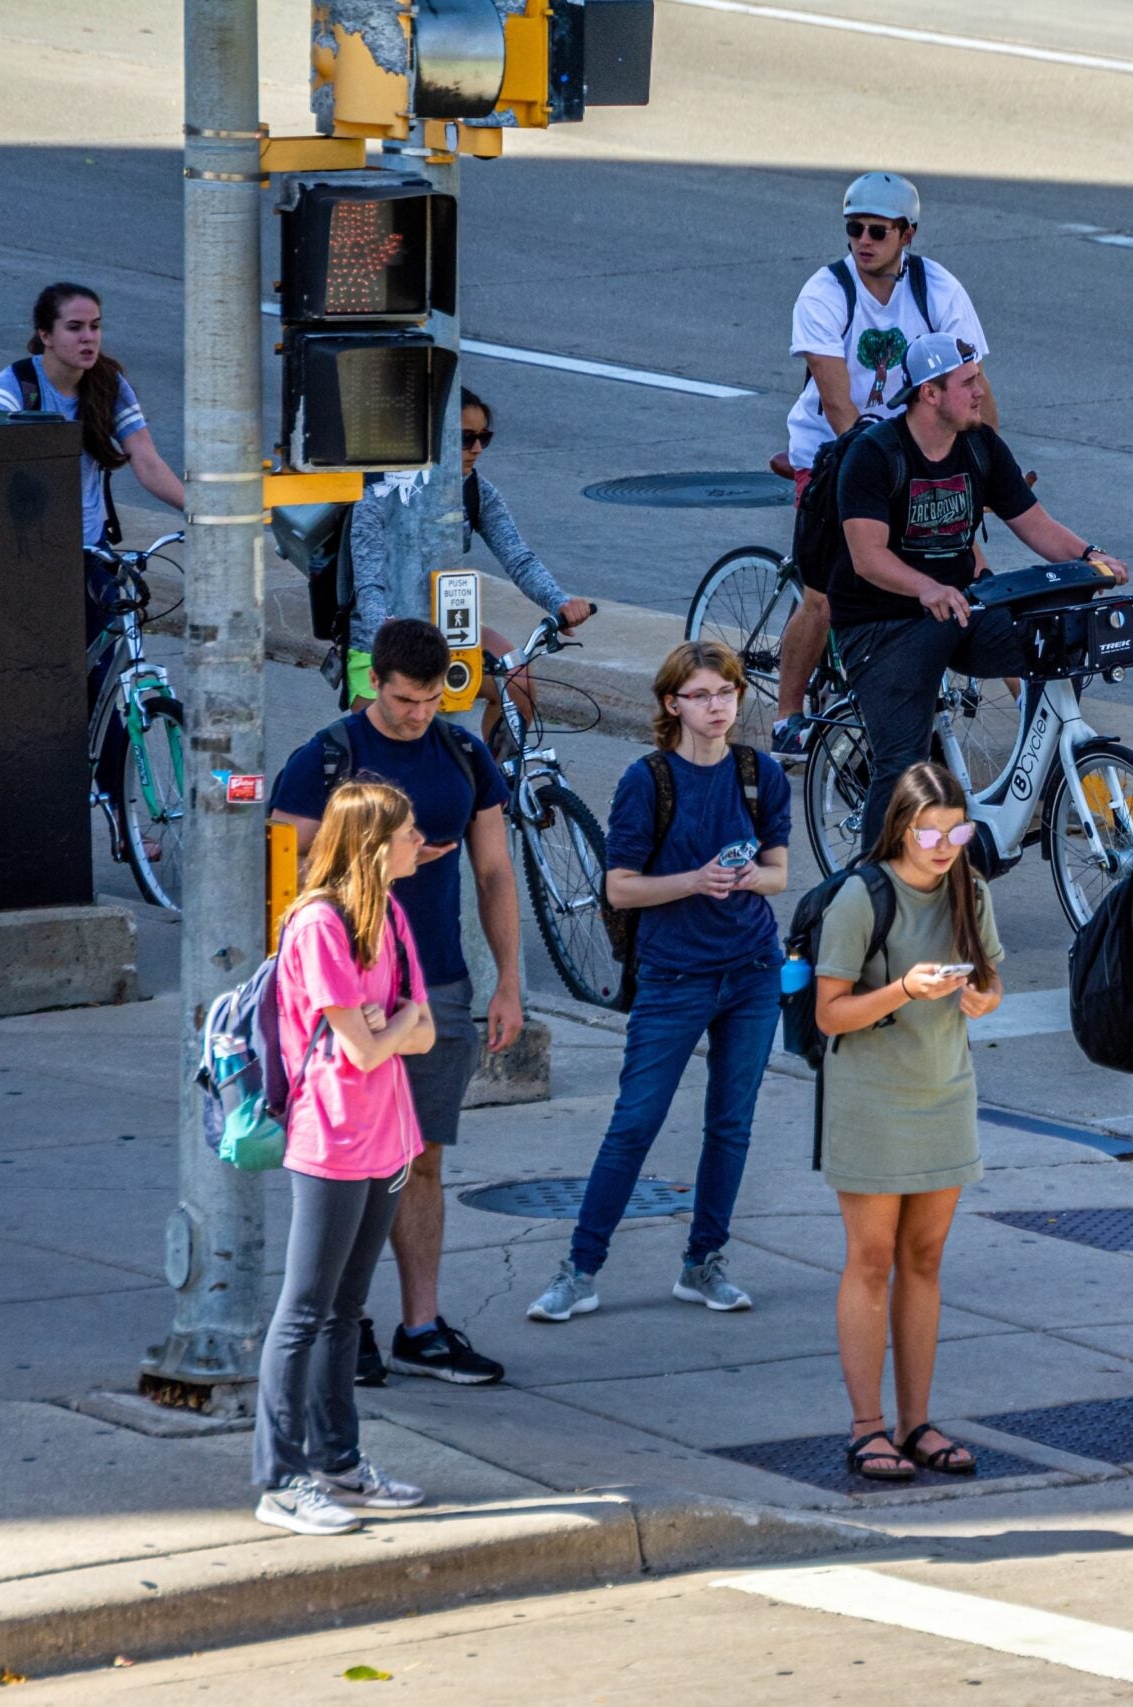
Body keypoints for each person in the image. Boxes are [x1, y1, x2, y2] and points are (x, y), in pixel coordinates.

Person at [270, 618, 521, 1388]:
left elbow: (494, 875)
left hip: (436, 983)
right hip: (348, 988)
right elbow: (284, 873)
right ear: (372, 682)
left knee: (422, 1159)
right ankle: (351, 1323)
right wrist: (377, 859)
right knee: (350, 1168)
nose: (418, 714)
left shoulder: (462, 753)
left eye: (430, 700)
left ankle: (422, 1324)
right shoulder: (328, 759)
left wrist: (510, 980)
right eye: (405, 699)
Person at [529, 641, 791, 1323]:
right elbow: (618, 887)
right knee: (635, 1122)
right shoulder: (647, 780)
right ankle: (579, 1269)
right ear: (672, 703)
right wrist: (695, 882)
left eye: (727, 693)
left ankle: (703, 1262)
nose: (717, 706)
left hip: (752, 970)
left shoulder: (759, 773)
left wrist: (743, 878)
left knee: (730, 1125)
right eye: (702, 694)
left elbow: (779, 873)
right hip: (674, 977)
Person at [834, 331, 1127, 851]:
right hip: (882, 625)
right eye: (969, 382)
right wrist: (926, 587)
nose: (980, 392)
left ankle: (1025, 789)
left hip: (962, 608)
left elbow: (1035, 525)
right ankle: (871, 893)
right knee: (901, 768)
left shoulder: (978, 446)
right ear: (930, 393)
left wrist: (1090, 557)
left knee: (1056, 640)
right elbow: (867, 555)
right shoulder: (875, 456)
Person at [252, 779, 435, 1535]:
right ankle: (280, 1478)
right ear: (373, 844)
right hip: (330, 1138)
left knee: (346, 1312)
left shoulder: (388, 913)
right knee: (304, 1309)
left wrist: (384, 1029)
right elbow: (363, 1048)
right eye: (407, 830)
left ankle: (338, 1460)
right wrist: (385, 1031)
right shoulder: (317, 925)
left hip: (389, 1136)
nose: (419, 839)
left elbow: (422, 1027)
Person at [812, 761, 1004, 1479]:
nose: (946, 842)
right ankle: (868, 1427)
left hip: (944, 1092)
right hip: (871, 1098)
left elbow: (990, 977)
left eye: (959, 829)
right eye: (932, 829)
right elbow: (830, 1012)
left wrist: (984, 996)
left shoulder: (969, 888)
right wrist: (900, 988)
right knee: (871, 1259)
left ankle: (915, 1421)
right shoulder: (863, 899)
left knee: (925, 1259)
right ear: (902, 826)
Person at [773, 171, 995, 754]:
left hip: (921, 451)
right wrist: (878, 477)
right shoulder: (826, 293)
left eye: (877, 230)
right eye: (854, 229)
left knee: (976, 574)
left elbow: (974, 386)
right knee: (827, 592)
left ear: (907, 234)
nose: (863, 241)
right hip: (836, 453)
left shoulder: (937, 290)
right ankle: (788, 715)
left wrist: (987, 465)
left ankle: (1034, 726)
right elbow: (839, 404)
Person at [344, 387, 593, 712]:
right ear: (433, 436)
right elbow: (368, 580)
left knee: (519, 685)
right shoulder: (380, 492)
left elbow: (518, 557)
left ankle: (493, 764)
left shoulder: (478, 492)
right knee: (385, 739)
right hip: (381, 641)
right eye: (465, 438)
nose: (476, 449)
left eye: (483, 438)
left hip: (449, 630)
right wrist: (384, 633)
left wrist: (558, 601)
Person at [0, 282, 187, 669]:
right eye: (75, 327)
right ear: (46, 335)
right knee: (39, 673)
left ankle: (111, 730)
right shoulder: (13, 390)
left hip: (89, 549)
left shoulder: (107, 384)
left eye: (95, 326)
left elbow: (146, 461)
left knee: (105, 668)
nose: (88, 338)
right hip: (27, 554)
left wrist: (200, 512)